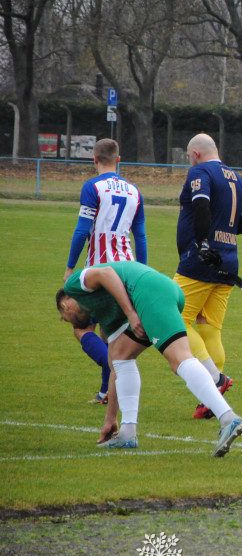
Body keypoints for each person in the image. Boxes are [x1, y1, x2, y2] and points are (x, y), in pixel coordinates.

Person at [57, 261, 242, 456]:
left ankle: (228, 418)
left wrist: (131, 313)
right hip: (160, 291)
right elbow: (115, 369)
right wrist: (110, 419)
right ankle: (127, 433)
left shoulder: (73, 285)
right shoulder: (107, 315)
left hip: (150, 292)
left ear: (66, 306)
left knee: (179, 358)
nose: (69, 322)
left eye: (64, 318)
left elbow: (106, 273)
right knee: (121, 357)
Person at [174, 133, 242, 420]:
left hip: (201, 260)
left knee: (173, 317)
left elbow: (201, 205)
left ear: (195, 154)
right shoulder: (238, 177)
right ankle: (209, 401)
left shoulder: (200, 171)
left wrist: (205, 241)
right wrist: (224, 234)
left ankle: (215, 379)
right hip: (229, 260)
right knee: (210, 328)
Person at [64, 138, 147, 405]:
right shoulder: (134, 191)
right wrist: (141, 271)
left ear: (94, 159)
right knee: (109, 332)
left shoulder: (93, 187)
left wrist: (69, 268)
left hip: (100, 269)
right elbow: (141, 236)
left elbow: (81, 229)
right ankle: (105, 392)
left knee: (81, 326)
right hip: (127, 268)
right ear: (119, 160)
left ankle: (112, 374)